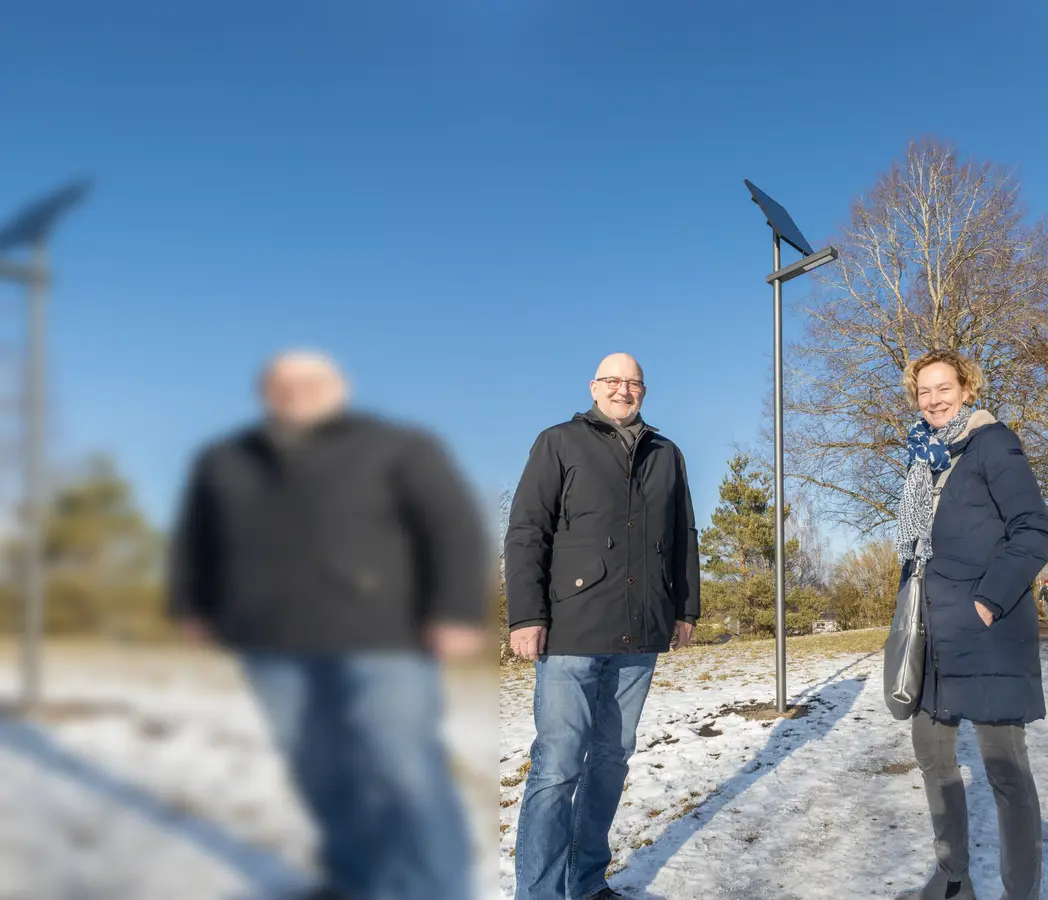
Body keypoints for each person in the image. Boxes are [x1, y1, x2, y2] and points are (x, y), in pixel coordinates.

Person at [169, 350, 488, 900]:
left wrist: (456, 610)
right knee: (318, 771)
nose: (296, 392)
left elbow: (452, 527)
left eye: (312, 381)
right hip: (268, 638)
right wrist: (190, 604)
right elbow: (195, 537)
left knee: (401, 767)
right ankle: (355, 881)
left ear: (341, 386)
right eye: (282, 383)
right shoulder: (224, 457)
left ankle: (436, 889)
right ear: (264, 391)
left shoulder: (398, 446)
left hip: (382, 635)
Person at [505, 353, 701, 900]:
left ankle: (586, 883)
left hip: (640, 634)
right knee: (559, 765)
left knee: (611, 761)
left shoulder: (667, 453)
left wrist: (685, 608)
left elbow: (684, 533)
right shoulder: (559, 441)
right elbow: (526, 531)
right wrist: (525, 615)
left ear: (644, 390)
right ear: (593, 387)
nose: (623, 389)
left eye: (633, 382)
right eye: (613, 380)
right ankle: (539, 892)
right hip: (572, 630)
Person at [894, 349, 1048, 900]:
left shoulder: (993, 443)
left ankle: (1022, 894)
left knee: (1006, 773)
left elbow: (1034, 530)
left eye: (944, 388)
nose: (934, 400)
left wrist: (987, 600)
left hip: (988, 635)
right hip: (935, 637)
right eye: (924, 391)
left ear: (967, 388)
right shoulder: (924, 458)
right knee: (932, 756)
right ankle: (952, 878)